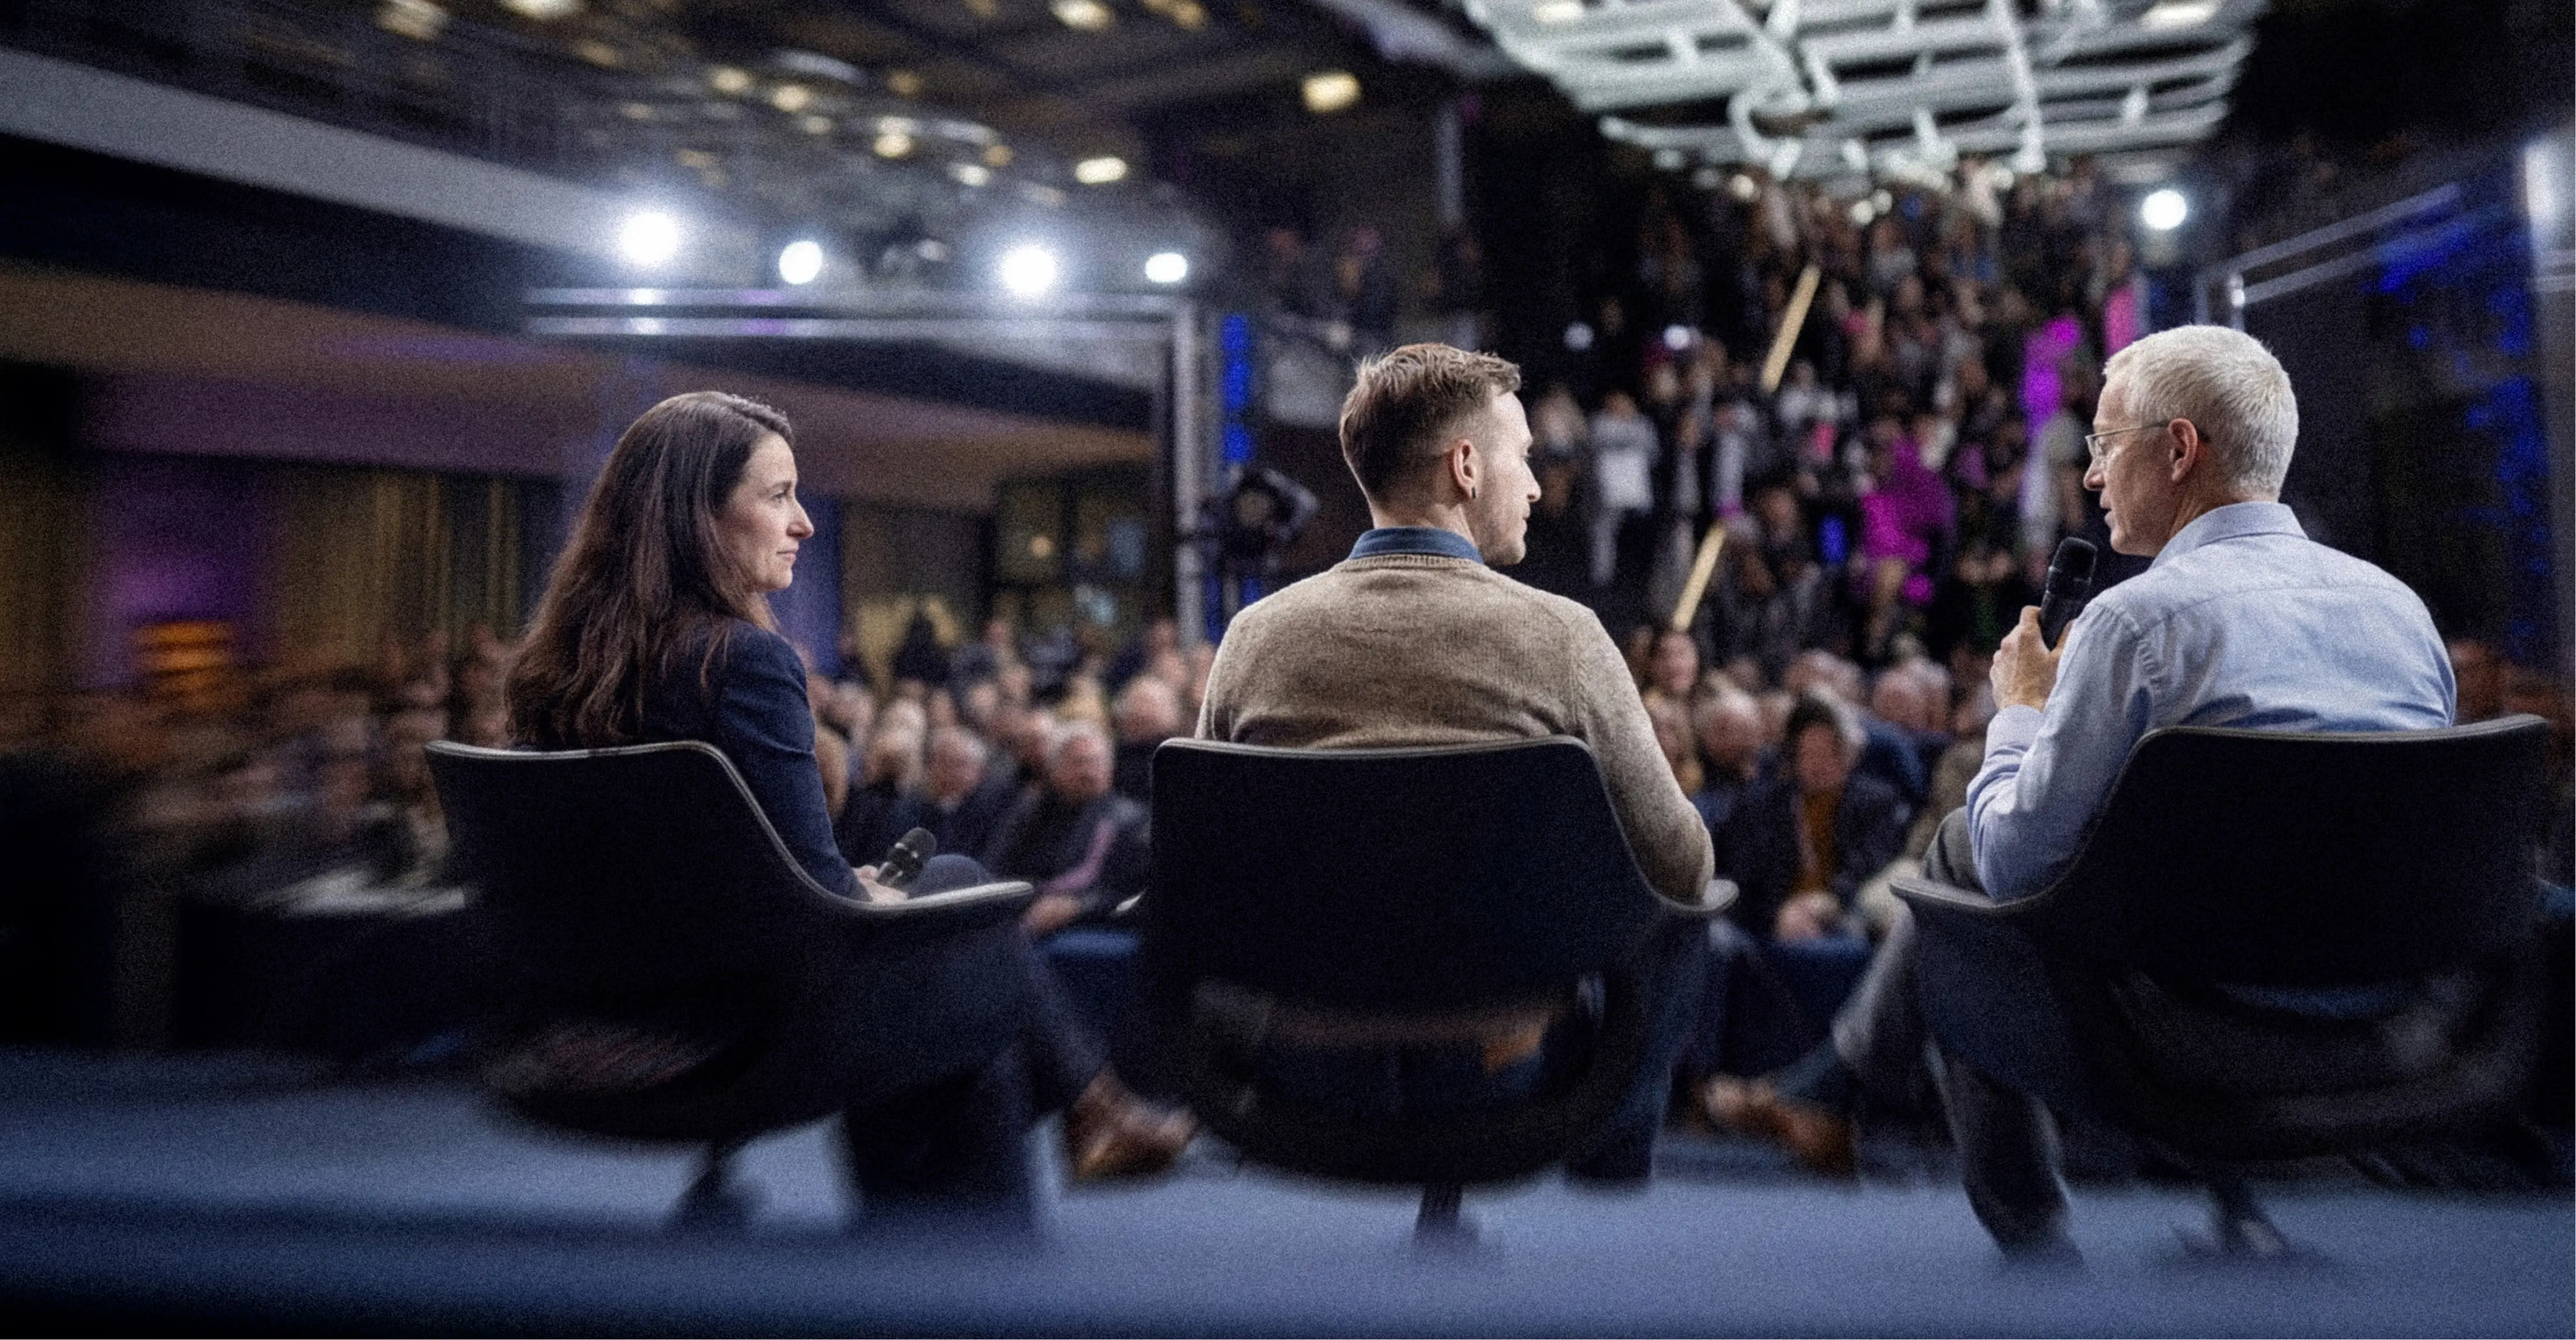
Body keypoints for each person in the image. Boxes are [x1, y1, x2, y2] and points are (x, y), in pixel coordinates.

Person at [1706, 326, 2455, 1259]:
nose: (2092, 476)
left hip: (2184, 1030)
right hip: (2401, 1018)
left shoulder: (2137, 622)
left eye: (2104, 444)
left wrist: (2020, 711)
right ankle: (1831, 1092)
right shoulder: (2402, 614)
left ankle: (2023, 1227)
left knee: (1962, 868)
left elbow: (2018, 856)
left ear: (2180, 449)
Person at [502, 392, 1188, 1223]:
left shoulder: (548, 677)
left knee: (955, 921)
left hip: (587, 1019)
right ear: (697, 517)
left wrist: (858, 886)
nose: (805, 524)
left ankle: (1091, 1115)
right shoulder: (744, 663)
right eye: (777, 495)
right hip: (742, 1026)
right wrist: (864, 891)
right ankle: (1088, 1116)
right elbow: (815, 907)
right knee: (965, 925)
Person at [1190, 343, 1716, 1181]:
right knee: (1690, 920)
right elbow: (1680, 864)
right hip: (1501, 1051)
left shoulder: (1255, 640)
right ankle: (1607, 1190)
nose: (1538, 487)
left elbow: (1207, 867)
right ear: (1466, 466)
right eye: (1525, 458)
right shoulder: (1565, 639)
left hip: (1304, 1045)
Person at [1712, 693, 1908, 942]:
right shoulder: (1760, 807)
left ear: (1849, 754)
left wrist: (1827, 904)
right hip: (1771, 924)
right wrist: (1776, 917)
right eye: (1808, 754)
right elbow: (1741, 878)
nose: (1817, 765)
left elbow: (1871, 865)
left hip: (1851, 917)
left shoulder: (1879, 803)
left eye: (1828, 754)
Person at [982, 720, 1152, 940]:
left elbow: (1133, 893)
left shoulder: (1132, 821)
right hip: (1023, 912)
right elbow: (997, 867)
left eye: (1096, 762)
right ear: (1055, 768)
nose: (1089, 772)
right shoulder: (1030, 813)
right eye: (1079, 763)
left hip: (1095, 925)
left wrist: (1078, 907)